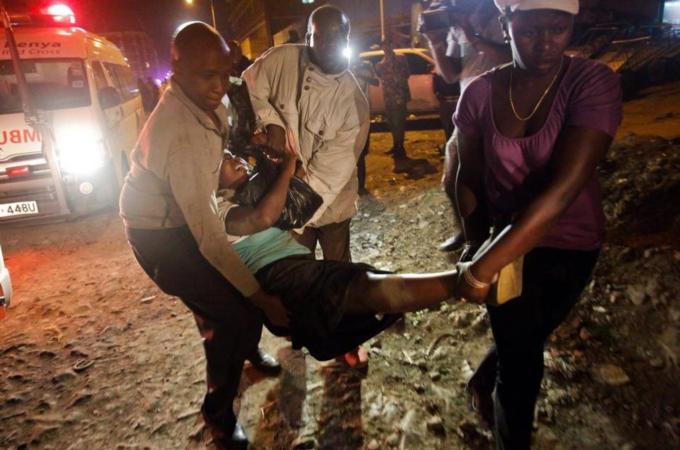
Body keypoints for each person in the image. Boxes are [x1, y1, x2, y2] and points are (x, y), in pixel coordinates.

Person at [452, 1, 622, 448]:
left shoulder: (591, 82)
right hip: (506, 247)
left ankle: (484, 378)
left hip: (572, 244)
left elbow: (563, 192)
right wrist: (477, 242)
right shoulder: (480, 94)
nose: (546, 43)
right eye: (530, 30)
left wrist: (482, 267)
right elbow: (466, 178)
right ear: (505, 24)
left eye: (558, 28)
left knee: (530, 334)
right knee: (522, 361)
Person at [119, 22, 289, 450]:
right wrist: (262, 300)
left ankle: (245, 349)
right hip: (158, 235)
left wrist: (225, 165)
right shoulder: (179, 129)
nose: (219, 86)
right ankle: (218, 414)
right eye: (206, 75)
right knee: (232, 313)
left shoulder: (206, 103)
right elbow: (210, 238)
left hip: (180, 216)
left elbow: (207, 161)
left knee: (230, 303)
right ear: (176, 71)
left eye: (224, 74)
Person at [216, 140, 472, 351]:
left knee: (354, 298)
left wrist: (283, 166)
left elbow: (295, 197)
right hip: (279, 277)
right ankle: (462, 282)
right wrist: (286, 169)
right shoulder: (219, 211)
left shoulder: (250, 193)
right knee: (359, 286)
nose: (238, 160)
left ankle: (456, 284)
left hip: (297, 269)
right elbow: (262, 217)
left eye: (235, 155)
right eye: (227, 159)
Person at [242, 5, 368, 264]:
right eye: (320, 37)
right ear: (308, 37)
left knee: (337, 272)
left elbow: (327, 177)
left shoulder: (353, 104)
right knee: (296, 273)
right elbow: (247, 88)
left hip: (329, 205)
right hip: (283, 193)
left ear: (347, 40)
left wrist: (287, 214)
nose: (329, 45)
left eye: (336, 37)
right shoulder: (280, 60)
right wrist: (271, 123)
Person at [421, 0, 511, 252]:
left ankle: (499, 238)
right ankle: (470, 233)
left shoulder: (502, 17)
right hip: (470, 111)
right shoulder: (456, 26)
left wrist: (470, 32)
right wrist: (435, 41)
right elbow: (450, 75)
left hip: (503, 109)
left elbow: (510, 57)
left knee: (499, 180)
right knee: (453, 178)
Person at [374, 39, 416, 173]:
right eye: (384, 46)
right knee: (392, 122)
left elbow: (407, 74)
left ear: (392, 45)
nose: (386, 48)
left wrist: (397, 79)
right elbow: (380, 79)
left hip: (399, 96)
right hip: (388, 97)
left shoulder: (400, 59)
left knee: (399, 122)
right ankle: (395, 145)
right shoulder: (380, 65)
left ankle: (400, 147)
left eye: (388, 45)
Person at [350, 57, 379, 194]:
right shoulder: (343, 69)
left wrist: (360, 74)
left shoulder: (366, 67)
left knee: (362, 151)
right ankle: (354, 184)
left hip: (363, 113)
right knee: (352, 152)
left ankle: (360, 185)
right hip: (348, 114)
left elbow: (376, 82)